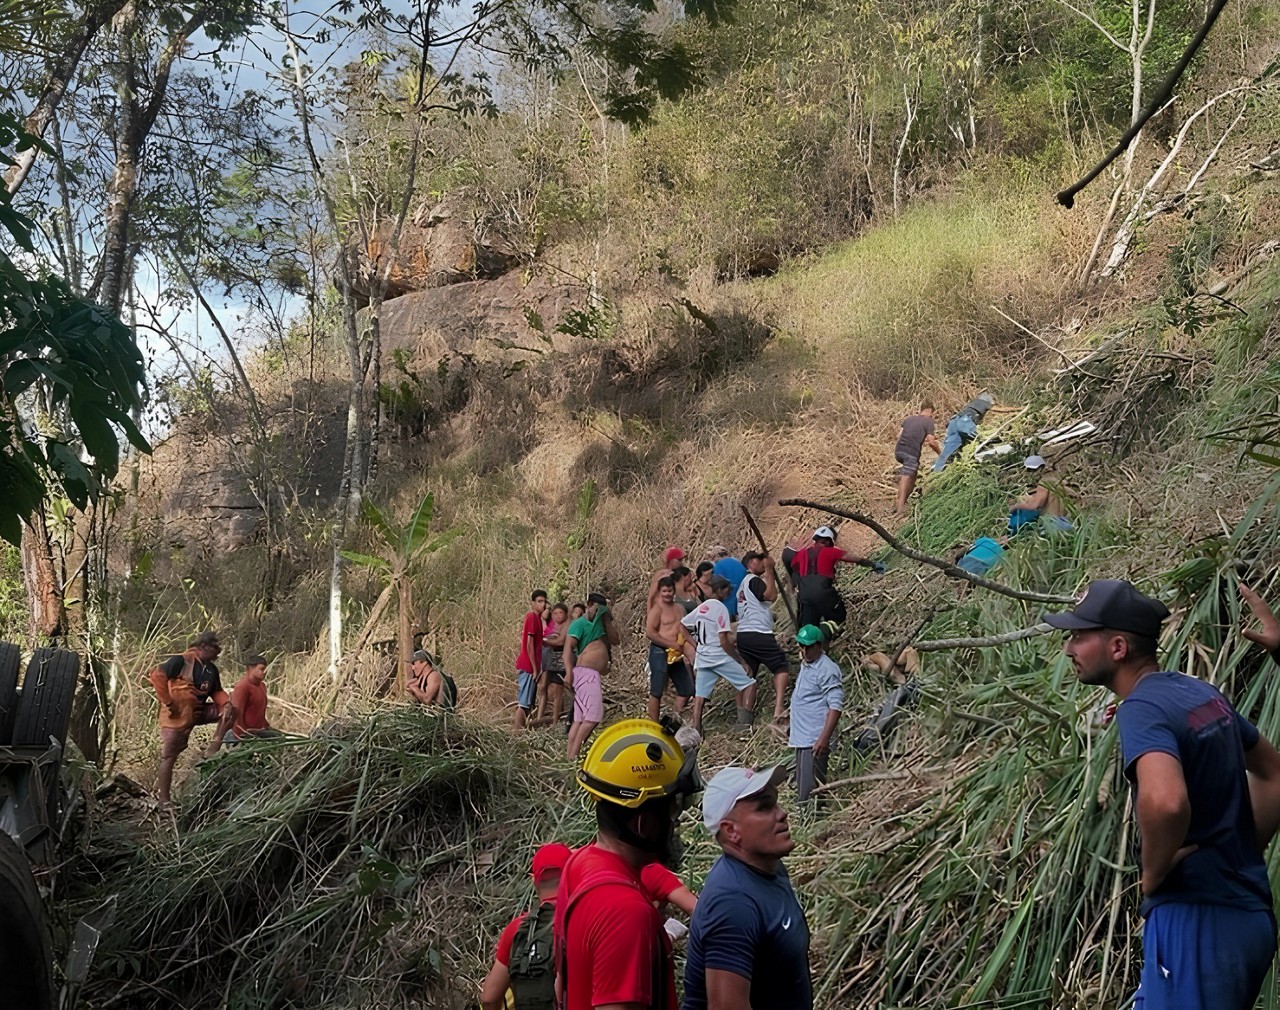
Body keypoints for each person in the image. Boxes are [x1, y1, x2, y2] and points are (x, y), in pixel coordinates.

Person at [1044, 578, 1280, 1010]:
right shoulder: (1197, 692)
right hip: (1247, 919)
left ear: (1118, 648)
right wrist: (1238, 848)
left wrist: (1153, 875)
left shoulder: (1142, 708)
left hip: (1195, 924)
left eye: (1079, 636)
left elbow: (1166, 802)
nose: (1068, 649)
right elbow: (1275, 775)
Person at [554, 718, 703, 1010]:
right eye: (672, 813)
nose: (676, 825)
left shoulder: (580, 864)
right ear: (644, 824)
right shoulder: (627, 913)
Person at [683, 765, 811, 1010]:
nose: (782, 814)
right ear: (731, 831)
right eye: (764, 807)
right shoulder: (733, 902)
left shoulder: (770, 869)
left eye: (776, 803)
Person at [480, 842, 572, 1010]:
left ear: (533, 880)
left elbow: (489, 999)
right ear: (572, 874)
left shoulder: (517, 929)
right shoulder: (584, 919)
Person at [148, 631, 236, 804]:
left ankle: (213, 749)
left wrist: (226, 704)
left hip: (198, 711)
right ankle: (164, 800)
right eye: (215, 648)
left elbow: (216, 691)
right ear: (203, 646)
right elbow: (157, 675)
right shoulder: (180, 661)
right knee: (169, 756)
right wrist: (168, 701)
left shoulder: (211, 669)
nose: (218, 652)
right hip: (176, 716)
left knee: (231, 711)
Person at [682, 576, 756, 735]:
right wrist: (740, 660)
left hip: (703, 656)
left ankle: (697, 730)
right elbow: (723, 639)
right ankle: (745, 725)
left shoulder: (703, 607)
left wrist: (696, 644)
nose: (729, 592)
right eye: (727, 589)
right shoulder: (720, 609)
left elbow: (683, 624)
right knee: (749, 684)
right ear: (720, 590)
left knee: (700, 696)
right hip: (718, 655)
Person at [781, 526, 883, 635]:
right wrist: (872, 564)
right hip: (824, 594)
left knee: (808, 629)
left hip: (805, 598)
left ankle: (809, 645)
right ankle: (825, 633)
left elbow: (794, 570)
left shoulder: (801, 554)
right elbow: (852, 558)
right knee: (838, 617)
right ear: (828, 541)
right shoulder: (830, 551)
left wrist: (794, 587)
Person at [734, 552, 790, 727]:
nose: (762, 563)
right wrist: (769, 570)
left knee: (748, 676)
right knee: (781, 668)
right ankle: (778, 709)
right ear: (751, 562)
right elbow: (771, 595)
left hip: (743, 635)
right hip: (759, 633)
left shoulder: (742, 587)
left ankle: (744, 719)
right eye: (759, 560)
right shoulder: (753, 580)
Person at [789, 625, 844, 801]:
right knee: (804, 786)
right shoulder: (807, 664)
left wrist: (824, 738)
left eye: (808, 647)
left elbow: (835, 707)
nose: (804, 651)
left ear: (819, 646)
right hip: (802, 738)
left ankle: (813, 818)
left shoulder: (827, 669)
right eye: (801, 646)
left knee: (810, 791)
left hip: (814, 738)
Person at [564, 592, 620, 759]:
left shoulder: (601, 624)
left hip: (591, 675)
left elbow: (616, 640)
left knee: (579, 719)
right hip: (586, 674)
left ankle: (570, 757)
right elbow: (567, 651)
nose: (599, 611)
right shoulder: (579, 624)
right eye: (597, 608)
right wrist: (568, 673)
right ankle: (575, 755)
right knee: (593, 716)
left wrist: (607, 618)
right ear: (589, 605)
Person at [646, 576, 695, 722]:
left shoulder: (680, 608)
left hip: (677, 652)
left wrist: (687, 647)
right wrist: (670, 644)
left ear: (674, 591)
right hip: (659, 650)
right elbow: (650, 633)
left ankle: (674, 718)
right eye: (664, 591)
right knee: (657, 690)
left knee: (687, 689)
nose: (667, 594)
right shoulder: (657, 609)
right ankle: (653, 723)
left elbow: (684, 629)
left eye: (670, 591)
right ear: (660, 592)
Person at [895, 402, 942, 513]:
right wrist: (941, 454)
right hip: (911, 452)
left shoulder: (909, 419)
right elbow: (931, 442)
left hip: (898, 451)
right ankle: (900, 507)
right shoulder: (929, 421)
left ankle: (904, 500)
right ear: (931, 411)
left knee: (913, 473)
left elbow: (898, 436)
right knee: (907, 474)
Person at [931, 392, 994, 472]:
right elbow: (998, 409)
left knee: (948, 449)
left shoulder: (972, 404)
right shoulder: (984, 403)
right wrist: (1014, 410)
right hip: (964, 422)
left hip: (953, 422)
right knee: (981, 439)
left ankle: (936, 468)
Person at [1008, 456, 1071, 534]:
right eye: (1029, 470)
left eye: (1034, 470)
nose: (1031, 473)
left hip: (1053, 524)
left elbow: (1035, 505)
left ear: (1042, 468)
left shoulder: (1044, 483)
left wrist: (1014, 507)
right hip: (1065, 521)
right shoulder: (1057, 481)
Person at [226, 656, 281, 743]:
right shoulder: (242, 687)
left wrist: (266, 726)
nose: (264, 672)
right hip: (244, 733)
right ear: (251, 668)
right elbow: (236, 714)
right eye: (261, 669)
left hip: (258, 731)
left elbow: (258, 711)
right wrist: (243, 735)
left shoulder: (262, 686)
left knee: (281, 738)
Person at [515, 590, 548, 731]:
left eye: (544, 601)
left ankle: (522, 731)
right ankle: (516, 733)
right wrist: (534, 669)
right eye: (539, 601)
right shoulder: (532, 617)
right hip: (528, 666)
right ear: (533, 603)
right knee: (523, 704)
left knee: (528, 703)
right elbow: (529, 644)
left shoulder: (538, 619)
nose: (543, 604)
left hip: (532, 666)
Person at [536, 603, 570, 727]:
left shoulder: (567, 624)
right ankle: (540, 718)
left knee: (558, 691)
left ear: (566, 614)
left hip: (560, 657)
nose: (558, 616)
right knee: (542, 687)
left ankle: (555, 722)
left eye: (560, 613)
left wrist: (544, 640)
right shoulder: (551, 624)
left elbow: (560, 641)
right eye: (555, 613)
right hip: (548, 656)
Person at [709, 546, 747, 621]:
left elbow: (716, 584)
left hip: (729, 598)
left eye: (713, 558)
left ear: (718, 556)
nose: (713, 561)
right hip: (743, 596)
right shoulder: (737, 562)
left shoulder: (718, 566)